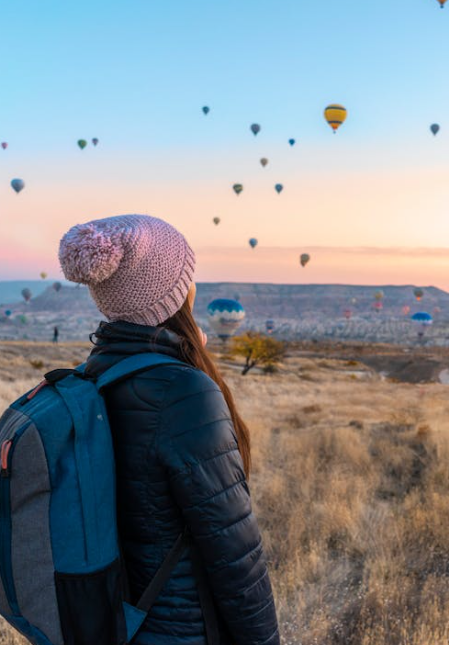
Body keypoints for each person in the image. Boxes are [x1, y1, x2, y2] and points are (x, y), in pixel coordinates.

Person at [58, 214, 279, 645]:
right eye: (188, 275)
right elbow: (234, 551)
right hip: (182, 630)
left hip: (120, 621)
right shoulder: (182, 391)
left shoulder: (96, 373)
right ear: (174, 293)